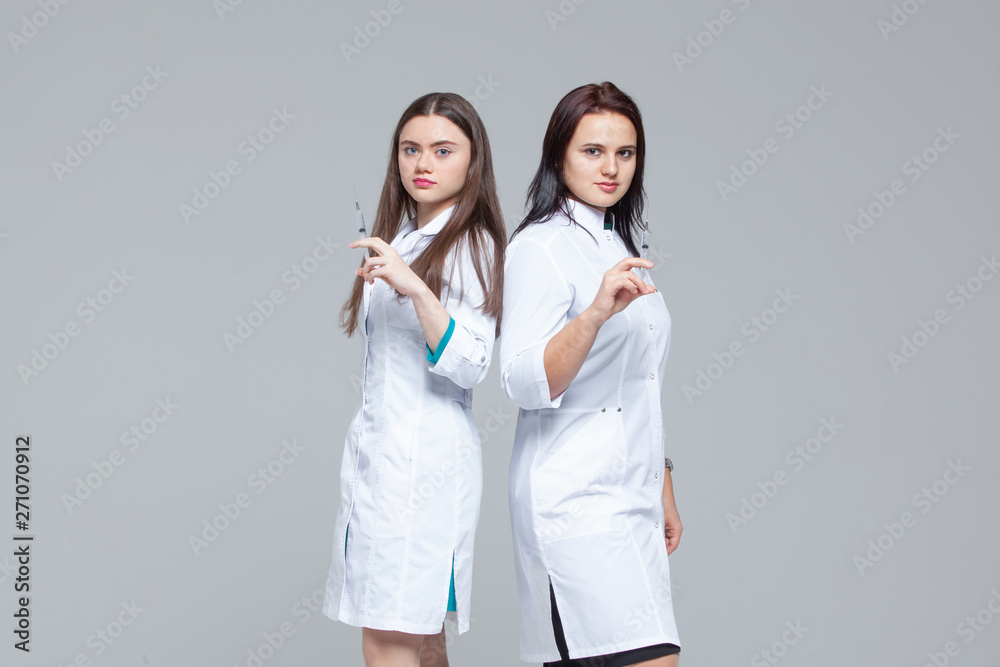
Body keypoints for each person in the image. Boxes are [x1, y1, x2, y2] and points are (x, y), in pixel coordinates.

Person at [499, 82, 682, 666]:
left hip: (632, 498)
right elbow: (523, 381)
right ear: (559, 156)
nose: (611, 168)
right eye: (593, 151)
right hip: (573, 498)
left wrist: (663, 483)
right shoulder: (540, 247)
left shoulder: (618, 242)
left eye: (625, 153)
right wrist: (596, 313)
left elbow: (639, 382)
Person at [322, 92, 506, 667]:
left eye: (443, 150)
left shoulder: (471, 243)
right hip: (387, 464)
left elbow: (474, 363)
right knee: (422, 642)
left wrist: (415, 287)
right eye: (411, 149)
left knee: (390, 639)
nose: (422, 163)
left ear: (472, 162)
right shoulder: (405, 238)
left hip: (420, 475)